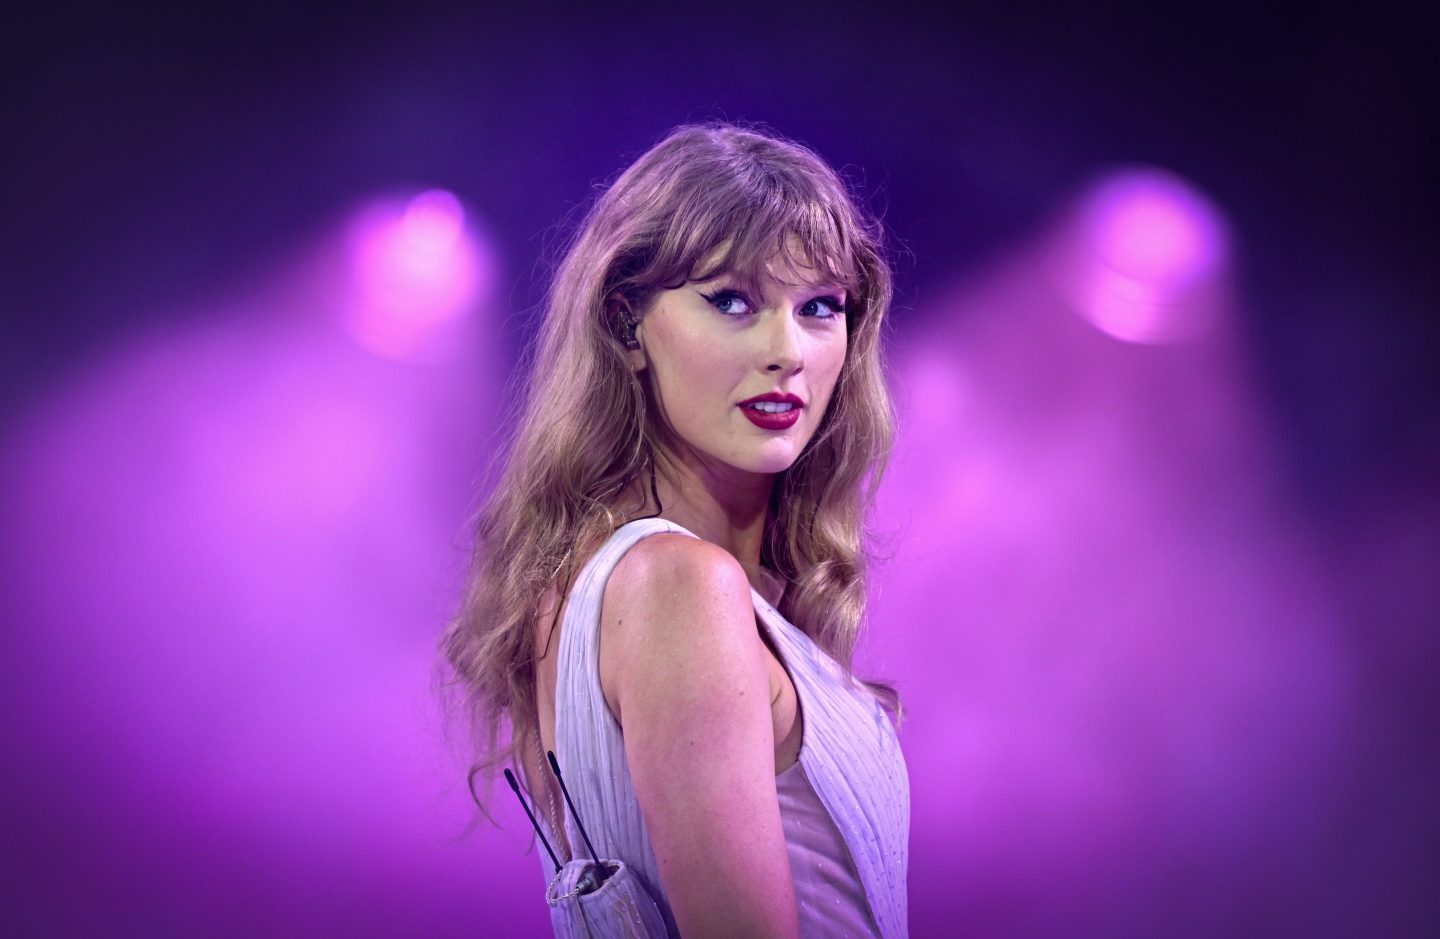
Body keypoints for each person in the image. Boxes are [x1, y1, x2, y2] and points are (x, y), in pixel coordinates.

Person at [440, 121, 909, 938]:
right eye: (732, 301)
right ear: (626, 327)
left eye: (819, 306)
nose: (786, 350)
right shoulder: (677, 585)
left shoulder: (604, 584)